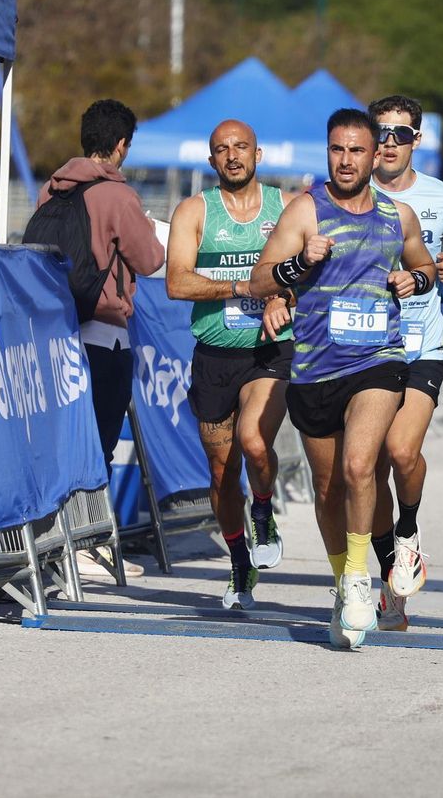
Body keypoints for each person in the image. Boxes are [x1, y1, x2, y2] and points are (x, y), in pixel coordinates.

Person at [247, 108, 436, 649]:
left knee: (359, 467)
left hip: (378, 360)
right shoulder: (306, 209)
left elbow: (423, 266)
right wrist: (296, 266)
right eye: (337, 150)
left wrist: (411, 278)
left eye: (357, 151)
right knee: (328, 488)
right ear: (327, 152)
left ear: (376, 155)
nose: (347, 160)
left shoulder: (397, 216)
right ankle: (343, 584)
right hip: (314, 367)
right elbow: (261, 278)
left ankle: (359, 580)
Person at [165, 120, 294, 609]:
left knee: (254, 442)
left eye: (241, 147)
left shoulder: (286, 207)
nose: (233, 156)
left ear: (258, 154)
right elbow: (177, 282)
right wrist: (244, 287)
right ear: (211, 159)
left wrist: (287, 297)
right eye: (222, 150)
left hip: (269, 348)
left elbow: (311, 270)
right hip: (214, 353)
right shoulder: (195, 211)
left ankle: (262, 509)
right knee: (221, 472)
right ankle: (239, 560)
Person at [364, 94, 443, 631]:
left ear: (417, 140)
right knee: (369, 468)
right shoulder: (350, 195)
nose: (390, 144)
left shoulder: (442, 195)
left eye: (400, 134)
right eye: (381, 133)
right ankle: (393, 578)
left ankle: (408, 531)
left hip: (423, 342)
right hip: (364, 344)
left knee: (400, 451)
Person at [38, 98, 166, 527]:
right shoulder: (118, 195)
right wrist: (148, 229)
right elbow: (150, 260)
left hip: (55, 331)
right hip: (104, 333)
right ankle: (89, 538)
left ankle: (57, 537)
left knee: (62, 441)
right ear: (121, 145)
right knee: (100, 441)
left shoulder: (52, 188)